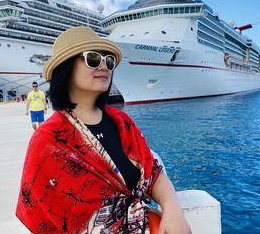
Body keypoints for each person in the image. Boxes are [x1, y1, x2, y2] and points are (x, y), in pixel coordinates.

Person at [16, 27, 191, 234]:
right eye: (92, 58)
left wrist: (171, 207)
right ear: (65, 68)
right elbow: (42, 217)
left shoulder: (121, 122)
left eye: (108, 61)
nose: (104, 66)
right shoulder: (49, 139)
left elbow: (154, 172)